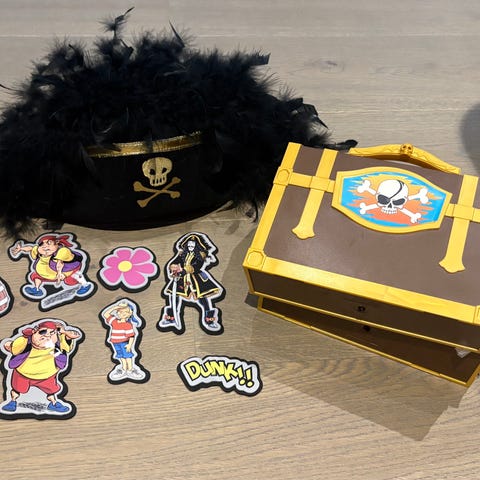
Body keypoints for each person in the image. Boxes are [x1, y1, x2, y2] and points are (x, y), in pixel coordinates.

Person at [1, 320, 82, 414]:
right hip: (23, 373)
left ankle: (53, 403)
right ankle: (12, 401)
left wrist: (64, 332)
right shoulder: (25, 341)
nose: (47, 336)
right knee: (17, 388)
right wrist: (10, 346)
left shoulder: (57, 343)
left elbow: (73, 337)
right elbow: (13, 348)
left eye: (51, 333)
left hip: (47, 375)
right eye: (43, 332)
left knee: (51, 390)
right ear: (34, 332)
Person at [160, 233, 224, 333]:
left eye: (192, 245)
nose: (190, 247)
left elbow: (197, 266)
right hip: (182, 278)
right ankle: (171, 317)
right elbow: (176, 261)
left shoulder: (200, 256)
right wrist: (174, 267)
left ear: (197, 246)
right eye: (189, 245)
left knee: (202, 297)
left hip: (195, 278)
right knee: (175, 296)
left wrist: (183, 271)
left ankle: (209, 320)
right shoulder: (183, 254)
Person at [10, 233, 92, 299]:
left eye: (49, 243)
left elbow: (60, 263)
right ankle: (36, 290)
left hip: (67, 269)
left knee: (70, 280)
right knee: (35, 276)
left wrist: (59, 273)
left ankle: (85, 284)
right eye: (42, 244)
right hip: (50, 274)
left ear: (57, 244)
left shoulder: (62, 251)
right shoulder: (39, 251)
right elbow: (31, 248)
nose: (45, 246)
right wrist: (20, 249)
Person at [100, 300, 146, 382]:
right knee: (121, 356)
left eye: (125, 312)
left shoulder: (128, 325)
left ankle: (131, 370)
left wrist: (129, 345)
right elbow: (105, 314)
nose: (123, 313)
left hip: (124, 343)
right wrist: (116, 307)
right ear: (117, 312)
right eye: (120, 312)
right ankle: (124, 369)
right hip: (115, 343)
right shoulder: (114, 321)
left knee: (128, 356)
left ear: (129, 314)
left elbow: (131, 336)